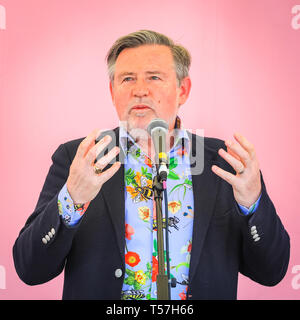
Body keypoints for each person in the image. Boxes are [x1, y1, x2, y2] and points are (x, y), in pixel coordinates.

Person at [13, 30, 290, 300]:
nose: (140, 90)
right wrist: (71, 200)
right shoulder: (80, 158)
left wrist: (253, 204)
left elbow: (271, 271)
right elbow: (30, 269)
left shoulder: (225, 161)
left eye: (154, 77)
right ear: (112, 91)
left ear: (183, 89)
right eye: (127, 79)